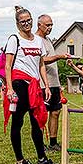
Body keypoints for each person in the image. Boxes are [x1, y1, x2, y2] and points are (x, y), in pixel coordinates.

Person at [4, 6, 57, 164]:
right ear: (17, 24)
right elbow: (8, 65)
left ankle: (42, 158)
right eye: (22, 21)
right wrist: (10, 89)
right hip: (19, 84)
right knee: (17, 123)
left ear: (32, 21)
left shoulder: (38, 41)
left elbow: (41, 64)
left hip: (35, 86)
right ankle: (20, 161)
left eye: (28, 20)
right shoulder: (14, 39)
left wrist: (46, 85)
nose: (26, 24)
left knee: (37, 122)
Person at [36, 14, 71, 151]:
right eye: (47, 25)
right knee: (41, 114)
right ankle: (39, 142)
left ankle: (53, 142)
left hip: (54, 83)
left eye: (51, 25)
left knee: (56, 112)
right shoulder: (36, 40)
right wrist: (58, 56)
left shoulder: (48, 40)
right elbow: (41, 60)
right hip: (43, 84)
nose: (50, 27)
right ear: (39, 25)